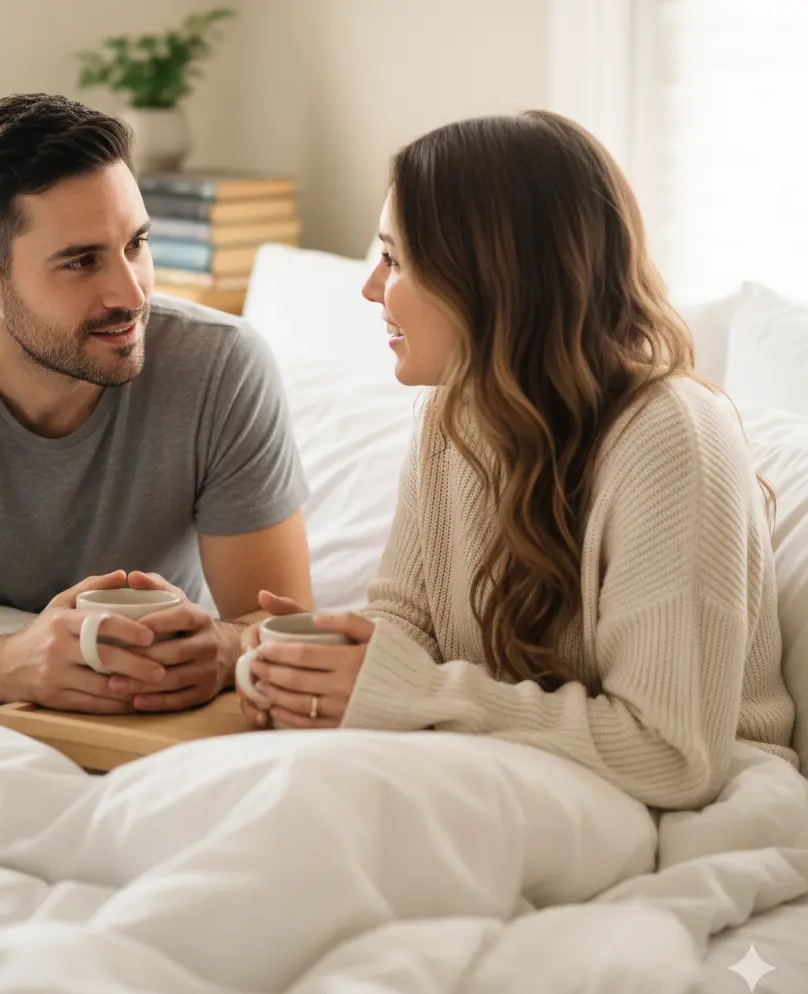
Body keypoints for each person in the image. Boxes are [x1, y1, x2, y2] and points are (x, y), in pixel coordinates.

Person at [239, 111, 798, 811]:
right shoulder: (450, 418)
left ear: (488, 277)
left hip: (697, 803)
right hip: (500, 770)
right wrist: (326, 658)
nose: (372, 288)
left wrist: (414, 691)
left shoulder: (671, 439)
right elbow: (408, 621)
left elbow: (671, 756)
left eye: (396, 260)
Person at [0, 93, 312, 714]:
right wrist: (8, 666)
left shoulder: (221, 367)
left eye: (136, 244)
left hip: (152, 696)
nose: (130, 294)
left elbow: (278, 623)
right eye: (80, 262)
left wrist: (224, 650)